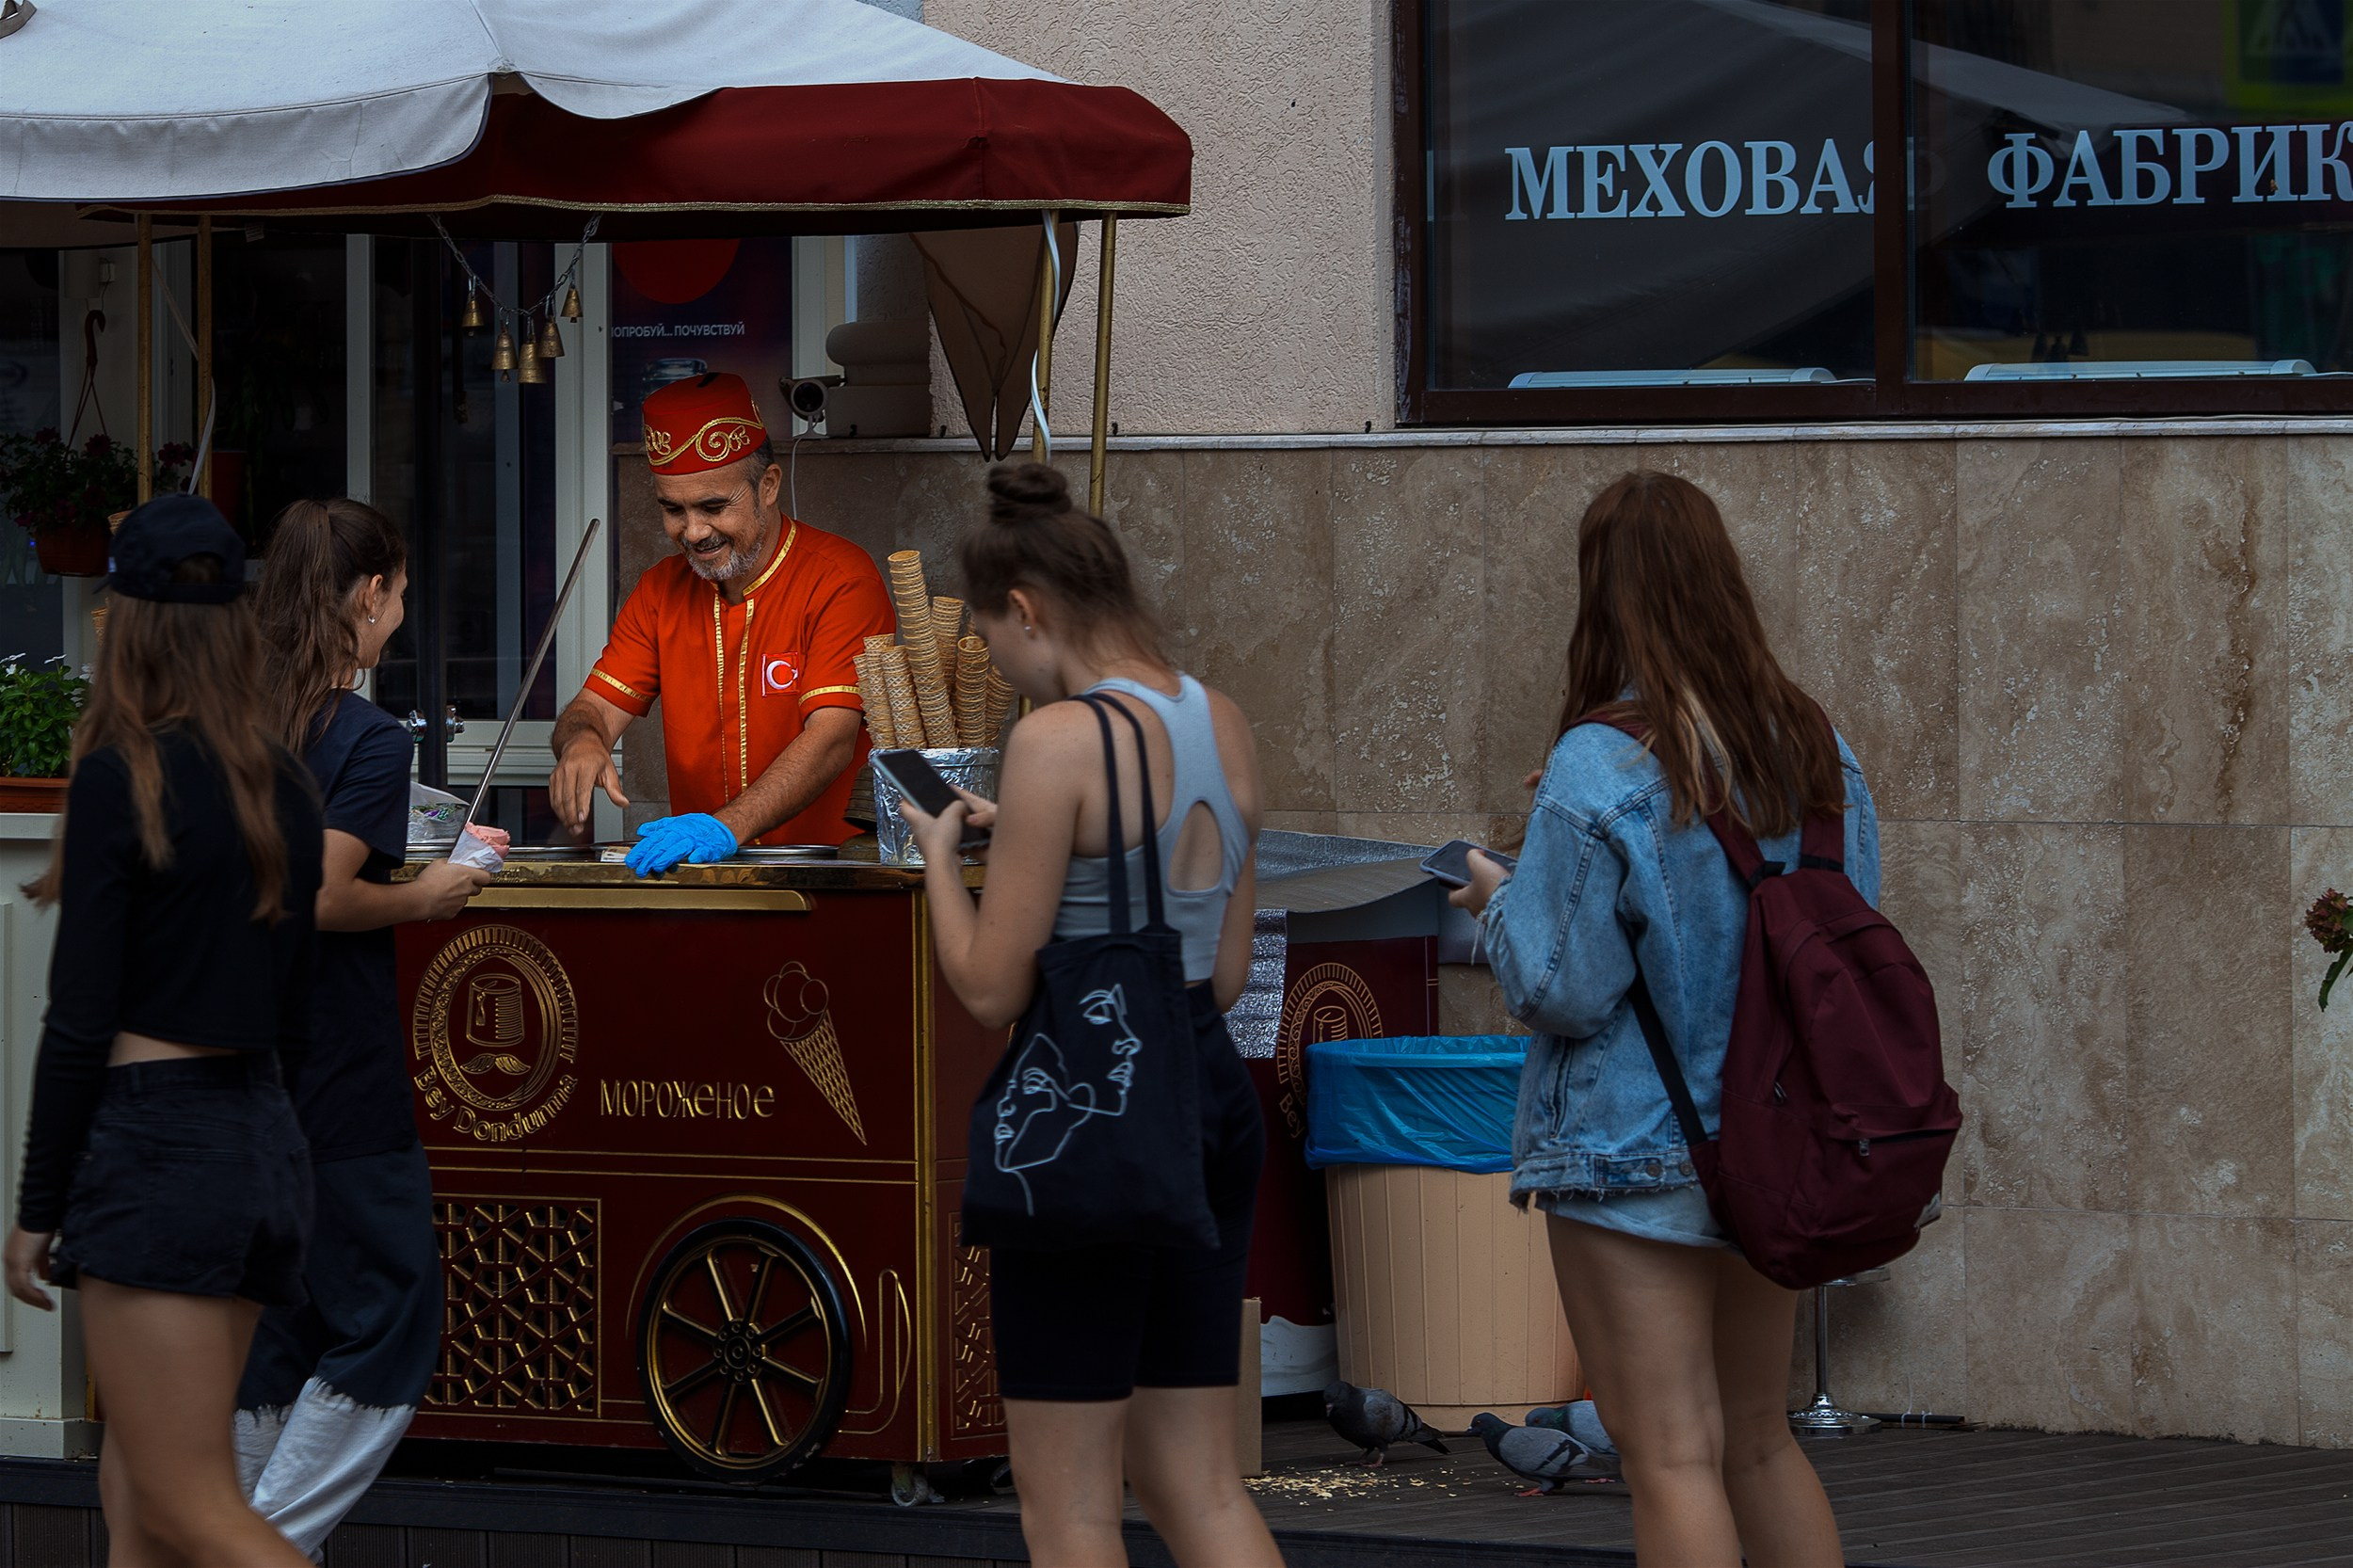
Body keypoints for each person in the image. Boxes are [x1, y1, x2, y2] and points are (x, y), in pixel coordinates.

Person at [1449, 470, 1871, 1568]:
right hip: (1778, 1140)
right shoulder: (1817, 747)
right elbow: (1845, 927)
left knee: (1669, 1457)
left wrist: (1502, 896)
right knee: (1758, 1445)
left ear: (1604, 598)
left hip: (1634, 1149)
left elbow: (1559, 987)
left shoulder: (1599, 763)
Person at [898, 464, 1279, 1568]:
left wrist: (940, 860)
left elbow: (988, 988)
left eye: (995, 645)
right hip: (1205, 1095)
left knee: (1064, 1506)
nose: (1005, 673)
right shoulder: (1225, 719)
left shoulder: (1057, 741)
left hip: (1090, 1119)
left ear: (1027, 611)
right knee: (1195, 1481)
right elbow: (1220, 969)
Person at [2, 494, 322, 1568]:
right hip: (260, 1144)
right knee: (137, 1492)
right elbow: (292, 1000)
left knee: (187, 1505)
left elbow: (79, 1018)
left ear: (122, 624)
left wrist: (36, 1205)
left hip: (158, 1152)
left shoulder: (118, 777)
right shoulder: (284, 782)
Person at [231, 498, 493, 1555]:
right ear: (369, 595)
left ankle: (235, 1531)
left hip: (244, 1064)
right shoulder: (370, 735)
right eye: (397, 593)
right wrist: (427, 898)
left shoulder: (243, 714)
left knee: (280, 1327)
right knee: (392, 1314)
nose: (401, 611)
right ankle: (258, 1547)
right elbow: (326, 898)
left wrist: (415, 845)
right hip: (340, 1069)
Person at [548, 372, 894, 873]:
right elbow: (593, 710)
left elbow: (832, 740)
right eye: (673, 509)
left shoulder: (841, 579)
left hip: (825, 876)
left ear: (767, 486)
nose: (692, 532)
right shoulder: (660, 589)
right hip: (704, 878)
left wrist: (724, 827)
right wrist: (582, 740)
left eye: (713, 507)